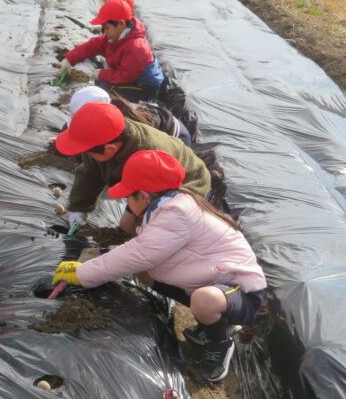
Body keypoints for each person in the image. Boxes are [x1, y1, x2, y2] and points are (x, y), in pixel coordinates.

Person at [52, 150, 266, 382]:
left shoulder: (176, 214)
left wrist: (81, 274)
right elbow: (140, 250)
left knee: (204, 300)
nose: (126, 203)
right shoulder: (171, 204)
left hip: (241, 291)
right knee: (146, 275)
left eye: (127, 198)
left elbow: (138, 253)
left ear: (143, 196)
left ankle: (220, 343)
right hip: (212, 282)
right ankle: (212, 322)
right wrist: (100, 258)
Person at [57, 100, 209, 235]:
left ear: (110, 149)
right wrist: (79, 208)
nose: (86, 155)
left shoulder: (148, 154)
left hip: (185, 184)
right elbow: (90, 173)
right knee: (128, 226)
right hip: (147, 189)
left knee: (145, 231)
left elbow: (148, 198)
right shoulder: (106, 139)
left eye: (88, 151)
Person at [60, 0, 164, 103]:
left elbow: (126, 76)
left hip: (142, 87)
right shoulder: (116, 36)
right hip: (129, 76)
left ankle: (144, 104)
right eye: (102, 28)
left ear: (121, 24)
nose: (104, 32)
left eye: (106, 27)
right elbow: (94, 45)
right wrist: (70, 58)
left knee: (105, 92)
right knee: (100, 85)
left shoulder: (135, 47)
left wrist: (103, 74)